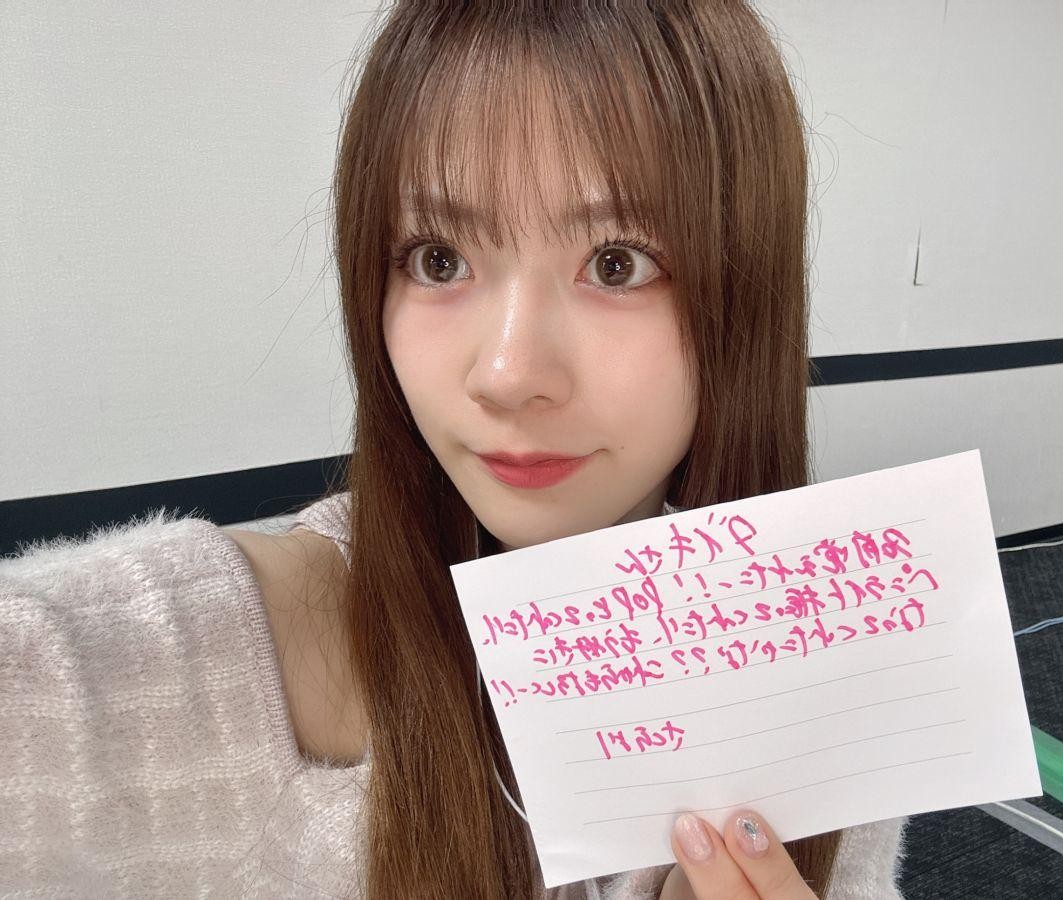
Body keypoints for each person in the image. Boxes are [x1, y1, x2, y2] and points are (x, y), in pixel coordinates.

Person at [1, 2, 906, 897]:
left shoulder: (819, 656)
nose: (507, 376)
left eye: (618, 262)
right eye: (439, 259)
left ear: (747, 295)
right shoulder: (205, 653)